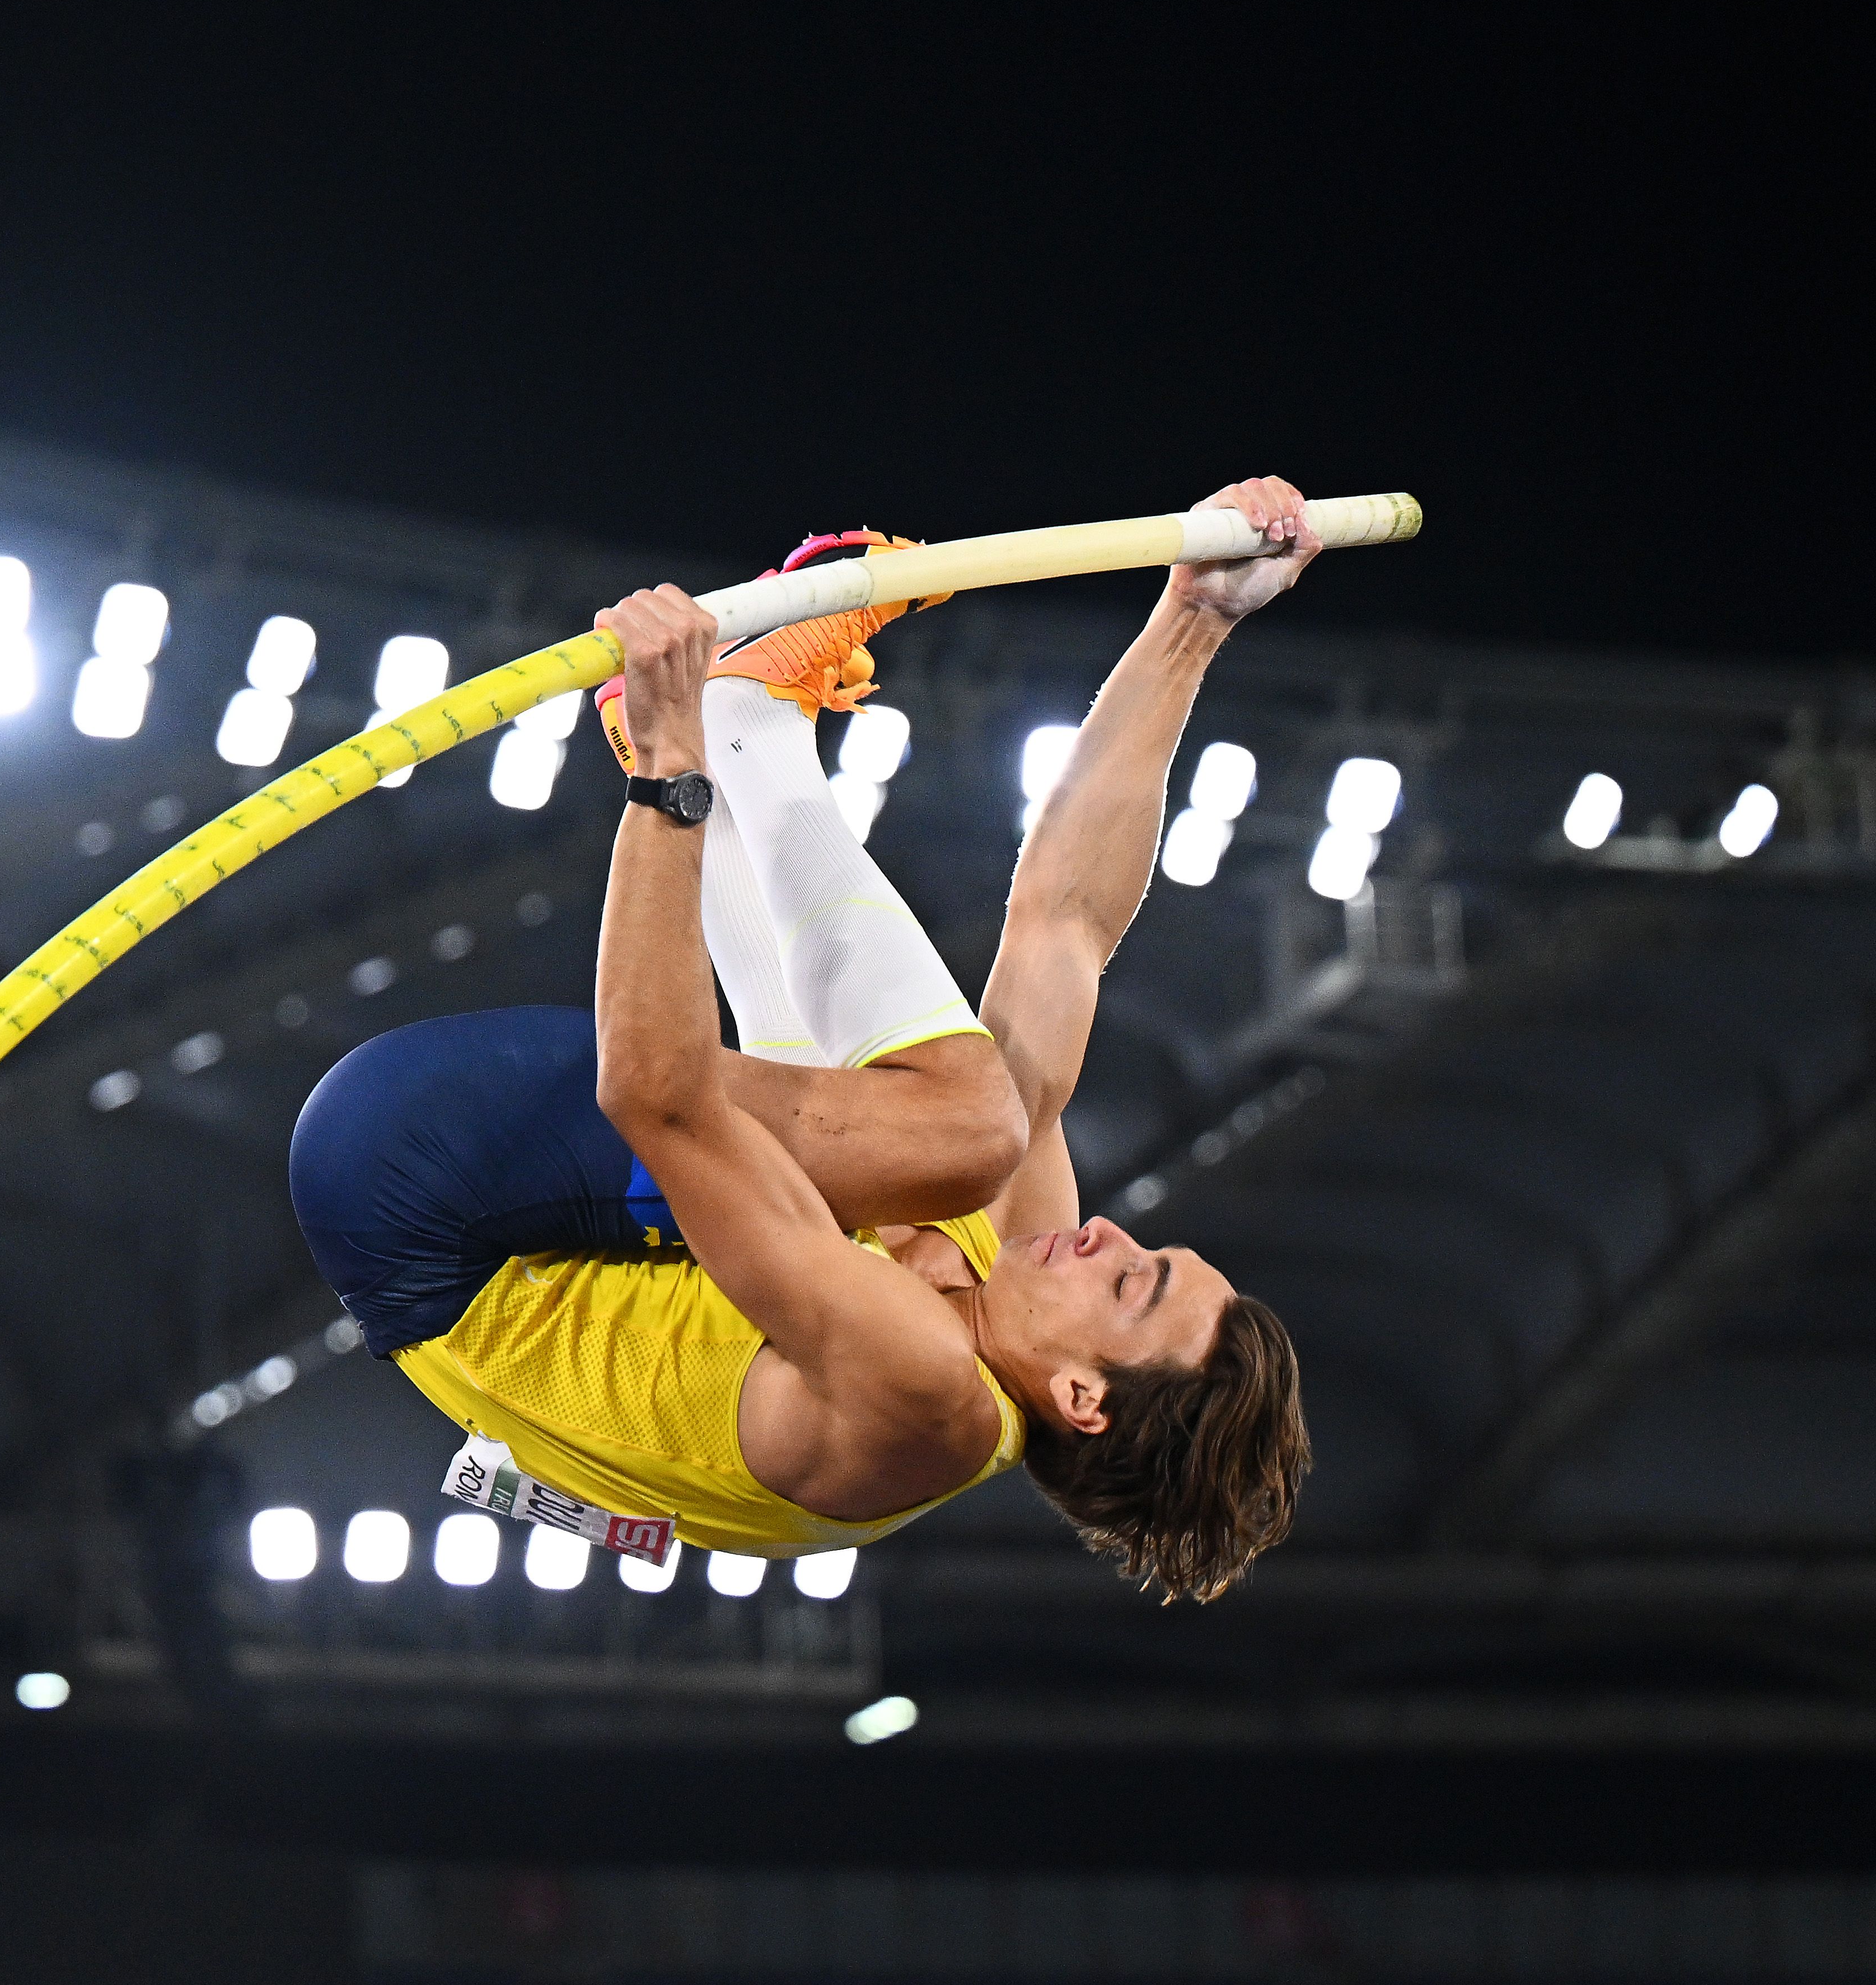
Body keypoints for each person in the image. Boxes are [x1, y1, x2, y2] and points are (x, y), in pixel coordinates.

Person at [287, 480, 1318, 1602]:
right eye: (1147, 1253)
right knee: (964, 1123)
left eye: (1132, 1286)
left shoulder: (926, 1399)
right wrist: (1192, 621)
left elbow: (653, 1096)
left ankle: (740, 733)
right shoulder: (1015, 1279)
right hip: (543, 1205)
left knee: (967, 1127)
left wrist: (670, 766)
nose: (1112, 1236)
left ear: (1081, 1400)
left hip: (418, 1192)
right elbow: (1063, 926)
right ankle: (740, 745)